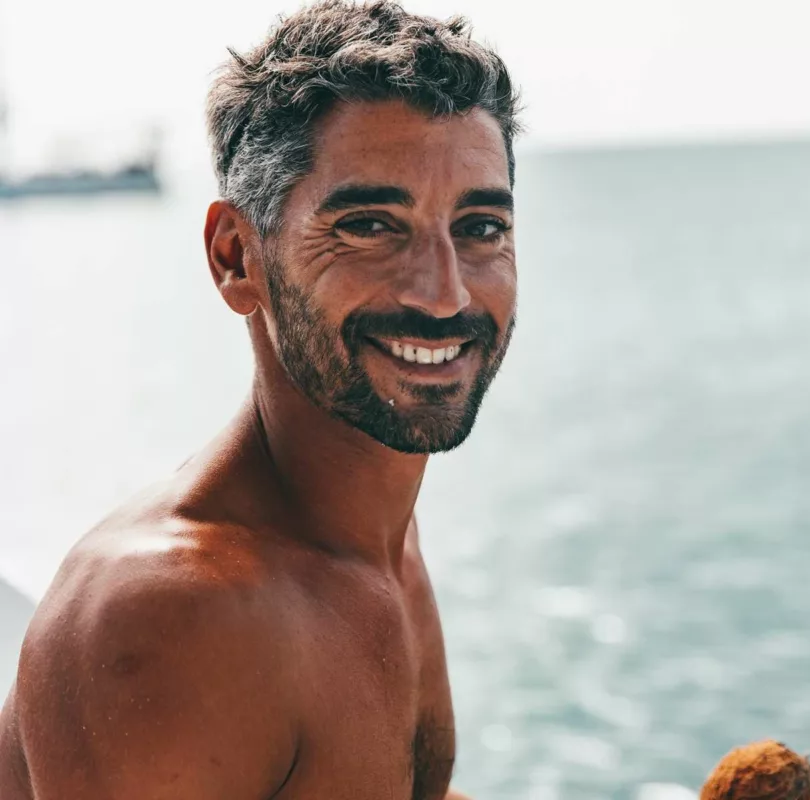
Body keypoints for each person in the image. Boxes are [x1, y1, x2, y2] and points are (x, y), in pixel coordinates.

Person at [0, 2, 521, 797]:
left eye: (480, 227)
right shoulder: (172, 623)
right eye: (372, 225)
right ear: (236, 257)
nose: (446, 295)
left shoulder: (374, 536)